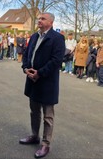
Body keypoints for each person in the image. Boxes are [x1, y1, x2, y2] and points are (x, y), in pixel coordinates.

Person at [20, 13, 65, 159]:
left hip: (47, 82)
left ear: (51, 22)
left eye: (43, 19)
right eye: (39, 18)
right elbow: (27, 54)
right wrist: (26, 68)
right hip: (32, 80)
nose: (39, 20)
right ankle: (34, 135)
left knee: (48, 116)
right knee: (34, 111)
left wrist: (40, 73)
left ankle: (46, 143)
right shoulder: (34, 36)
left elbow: (56, 60)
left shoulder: (57, 38)